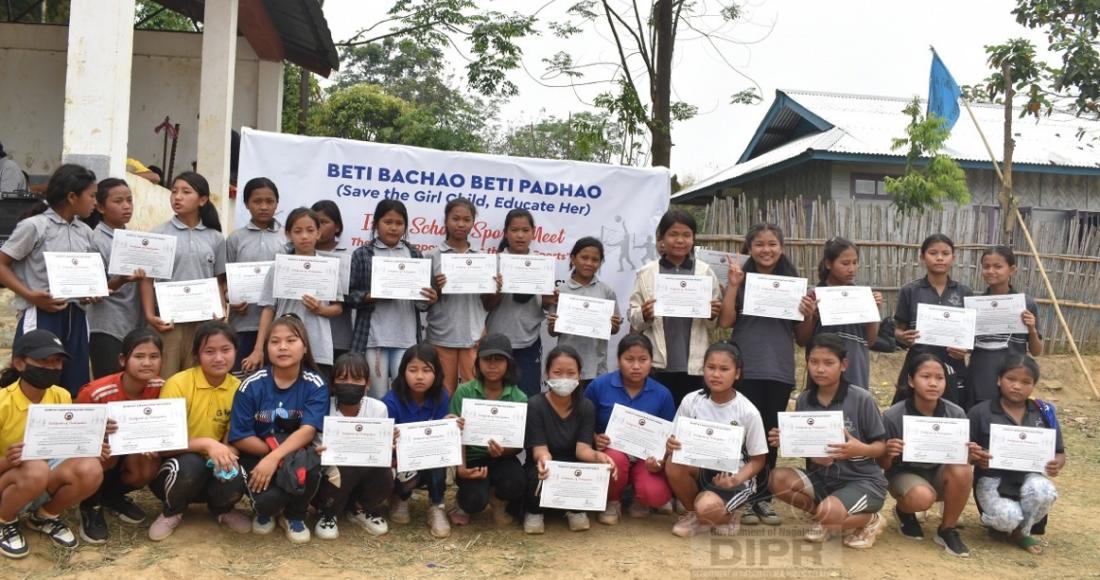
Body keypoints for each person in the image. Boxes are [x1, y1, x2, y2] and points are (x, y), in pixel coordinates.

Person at [720, 223, 815, 525]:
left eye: (772, 243)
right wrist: (734, 285)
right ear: (750, 248)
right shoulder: (741, 280)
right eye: (759, 244)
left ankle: (763, 498)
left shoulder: (794, 286)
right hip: (745, 367)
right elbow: (725, 321)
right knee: (743, 435)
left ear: (782, 247)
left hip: (779, 370)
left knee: (770, 436)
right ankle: (743, 497)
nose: (766, 250)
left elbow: (802, 338)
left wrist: (808, 313)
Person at [767, 333, 888, 549]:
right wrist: (787, 440)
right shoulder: (804, 399)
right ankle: (828, 515)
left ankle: (870, 519)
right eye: (814, 362)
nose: (820, 369)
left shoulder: (861, 399)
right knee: (777, 479)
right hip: (824, 479)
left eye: (828, 363)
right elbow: (808, 442)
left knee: (829, 513)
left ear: (843, 365)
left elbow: (881, 447)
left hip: (862, 481)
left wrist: (859, 449)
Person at [0, 330, 110, 557]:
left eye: (57, 361)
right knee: (35, 467)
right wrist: (8, 461)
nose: (51, 367)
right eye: (42, 361)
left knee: (91, 467)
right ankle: (4, 520)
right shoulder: (2, 403)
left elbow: (65, 445)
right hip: (10, 480)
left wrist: (91, 444)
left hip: (41, 478)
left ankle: (44, 516)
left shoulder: (60, 396)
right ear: (19, 363)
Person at [0, 164, 99, 396]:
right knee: (35, 380)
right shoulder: (35, 226)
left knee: (75, 382)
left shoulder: (85, 232)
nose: (95, 202)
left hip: (76, 314)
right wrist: (29, 295)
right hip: (41, 313)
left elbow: (87, 275)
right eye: (92, 196)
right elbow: (2, 264)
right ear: (72, 197)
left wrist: (91, 291)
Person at [147, 321, 251, 541]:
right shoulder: (178, 383)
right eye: (209, 351)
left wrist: (225, 451)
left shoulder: (239, 389)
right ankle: (172, 511)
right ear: (197, 354)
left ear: (236, 351)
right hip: (176, 467)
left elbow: (232, 438)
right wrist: (207, 443)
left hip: (213, 467)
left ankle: (221, 509)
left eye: (226, 350)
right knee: (191, 464)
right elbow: (163, 444)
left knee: (235, 470)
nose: (219, 358)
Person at [230, 314, 328, 544]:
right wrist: (269, 457)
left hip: (295, 453)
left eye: (291, 340)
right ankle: (265, 513)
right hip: (258, 452)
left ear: (305, 347)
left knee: (311, 464)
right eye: (274, 342)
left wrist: (276, 458)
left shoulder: (316, 384)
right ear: (266, 348)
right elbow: (240, 436)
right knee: (266, 502)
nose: (282, 347)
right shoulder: (251, 385)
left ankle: (294, 515)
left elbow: (308, 431)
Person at [665, 343, 767, 538]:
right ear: (703, 369)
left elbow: (758, 460)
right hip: (700, 468)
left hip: (732, 475)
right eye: (711, 367)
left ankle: (730, 512)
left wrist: (735, 479)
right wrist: (670, 444)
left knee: (708, 511)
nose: (716, 374)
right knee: (674, 463)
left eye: (724, 369)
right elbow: (674, 439)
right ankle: (692, 513)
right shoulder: (691, 401)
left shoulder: (748, 412)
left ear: (737, 374)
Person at [879, 354, 977, 557]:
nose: (933, 383)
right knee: (922, 498)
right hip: (904, 473)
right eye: (925, 376)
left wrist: (970, 454)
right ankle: (904, 512)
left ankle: (947, 529)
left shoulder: (956, 413)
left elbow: (961, 458)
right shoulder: (893, 416)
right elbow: (883, 465)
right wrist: (888, 452)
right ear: (910, 380)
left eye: (939, 378)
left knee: (963, 468)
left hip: (939, 472)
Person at [75, 329, 165, 543]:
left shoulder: (162, 388)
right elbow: (75, 432)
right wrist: (95, 433)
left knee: (149, 463)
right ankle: (90, 505)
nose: (147, 363)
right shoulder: (95, 392)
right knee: (106, 452)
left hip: (133, 451)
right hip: (100, 456)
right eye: (139, 356)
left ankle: (111, 497)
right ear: (123, 359)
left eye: (154, 357)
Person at [968, 355, 1064, 555]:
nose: (1017, 386)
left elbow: (1059, 452)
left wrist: (1056, 464)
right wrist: (977, 457)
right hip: (992, 481)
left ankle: (1022, 531)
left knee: (1044, 490)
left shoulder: (1043, 413)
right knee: (1007, 517)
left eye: (1025, 382)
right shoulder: (980, 412)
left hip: (1028, 479)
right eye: (1011, 379)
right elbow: (965, 454)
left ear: (1033, 385)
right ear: (998, 380)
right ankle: (1002, 523)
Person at [628, 210, 724, 405]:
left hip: (695, 366)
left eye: (686, 235)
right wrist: (644, 314)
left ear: (694, 239)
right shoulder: (647, 273)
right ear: (662, 238)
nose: (680, 240)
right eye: (673, 234)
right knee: (660, 421)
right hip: (657, 365)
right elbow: (633, 317)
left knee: (689, 423)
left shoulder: (704, 272)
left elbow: (713, 325)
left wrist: (712, 314)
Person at [141, 172, 227, 378]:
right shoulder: (158, 234)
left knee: (197, 377)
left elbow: (218, 280)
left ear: (203, 200)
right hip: (168, 321)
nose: (177, 197)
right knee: (165, 378)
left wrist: (221, 310)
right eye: (174, 191)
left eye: (186, 192)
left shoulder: (215, 238)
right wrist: (149, 315)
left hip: (203, 322)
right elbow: (146, 279)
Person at [523, 346, 617, 534]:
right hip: (545, 465)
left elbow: (582, 450)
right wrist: (544, 461)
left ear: (579, 375)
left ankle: (575, 509)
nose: (564, 378)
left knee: (591, 471)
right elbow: (540, 450)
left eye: (570, 373)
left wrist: (600, 457)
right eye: (557, 372)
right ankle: (534, 511)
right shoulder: (535, 404)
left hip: (574, 466)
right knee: (536, 476)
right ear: (547, 373)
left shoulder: (586, 406)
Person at [349, 200, 438, 398]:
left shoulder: (414, 254)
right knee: (377, 395)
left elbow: (422, 303)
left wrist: (430, 298)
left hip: (406, 337)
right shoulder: (363, 254)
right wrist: (368, 296)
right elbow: (349, 295)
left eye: (399, 223)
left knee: (405, 393)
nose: (393, 227)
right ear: (376, 224)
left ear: (405, 226)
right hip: (373, 338)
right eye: (388, 222)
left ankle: (400, 430)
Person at [585, 334, 676, 525]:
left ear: (651, 361)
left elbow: (669, 437)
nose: (636, 366)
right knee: (614, 458)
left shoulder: (663, 394)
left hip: (646, 458)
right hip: (611, 452)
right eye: (629, 359)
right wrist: (595, 438)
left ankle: (640, 499)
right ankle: (613, 501)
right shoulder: (599, 386)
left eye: (643, 360)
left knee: (656, 494)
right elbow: (582, 421)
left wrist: (659, 461)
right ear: (618, 360)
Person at [245, 208, 342, 377]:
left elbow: (338, 307)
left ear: (318, 233)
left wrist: (321, 309)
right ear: (288, 235)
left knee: (315, 396)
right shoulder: (279, 266)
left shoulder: (329, 266)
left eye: (310, 230)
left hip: (318, 346)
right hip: (283, 347)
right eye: (298, 231)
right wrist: (258, 349)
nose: (304, 236)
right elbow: (268, 309)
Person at [448, 334, 528, 526]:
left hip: (503, 458)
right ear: (478, 362)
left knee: (517, 483)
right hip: (472, 458)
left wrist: (504, 451)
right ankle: (463, 503)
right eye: (487, 359)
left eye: (499, 359)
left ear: (509, 363)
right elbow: (456, 435)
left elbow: (518, 446)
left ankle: (498, 500)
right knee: (473, 501)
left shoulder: (519, 398)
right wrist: (462, 469)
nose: (492, 365)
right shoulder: (464, 392)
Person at [312, 353, 392, 539]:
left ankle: (361, 509)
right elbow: (316, 443)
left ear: (368, 384)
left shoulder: (378, 409)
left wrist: (388, 443)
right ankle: (328, 513)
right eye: (342, 378)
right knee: (341, 469)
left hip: (366, 468)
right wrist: (319, 452)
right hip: (331, 471)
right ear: (332, 383)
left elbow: (381, 449)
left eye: (357, 379)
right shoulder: (323, 407)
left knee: (385, 472)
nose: (349, 383)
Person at [893, 234, 973, 407]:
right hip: (918, 363)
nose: (939, 258)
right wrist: (904, 336)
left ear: (953, 257)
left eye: (945, 253)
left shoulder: (964, 293)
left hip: (953, 365)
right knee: (909, 413)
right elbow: (898, 330)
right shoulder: (910, 291)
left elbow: (972, 336)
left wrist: (965, 349)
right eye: (933, 253)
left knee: (953, 414)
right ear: (922, 257)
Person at [382, 344, 452, 538]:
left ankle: (436, 505)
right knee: (395, 466)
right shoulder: (390, 402)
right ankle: (399, 498)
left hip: (428, 458)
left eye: (426, 370)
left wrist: (449, 425)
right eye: (413, 370)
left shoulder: (442, 397)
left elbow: (441, 440)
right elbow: (382, 444)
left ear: (436, 373)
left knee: (438, 456)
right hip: (400, 461)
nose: (419, 376)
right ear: (403, 372)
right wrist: (389, 437)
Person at [484, 209, 551, 397]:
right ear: (506, 233)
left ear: (533, 233)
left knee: (528, 396)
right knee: (494, 394)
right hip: (497, 340)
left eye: (525, 230)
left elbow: (546, 304)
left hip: (529, 341)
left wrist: (551, 298)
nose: (520, 235)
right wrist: (497, 290)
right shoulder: (494, 263)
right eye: (514, 230)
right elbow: (486, 306)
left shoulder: (542, 264)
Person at [87, 178, 148, 378]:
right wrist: (121, 279)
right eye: (118, 201)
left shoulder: (136, 240)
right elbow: (94, 289)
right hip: (107, 326)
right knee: (109, 385)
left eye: (129, 200)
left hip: (135, 324)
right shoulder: (95, 240)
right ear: (101, 207)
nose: (126, 206)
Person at [425, 197, 487, 394]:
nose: (461, 224)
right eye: (455, 218)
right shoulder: (432, 256)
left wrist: (495, 288)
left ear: (473, 223)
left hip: (473, 335)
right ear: (446, 220)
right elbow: (425, 301)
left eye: (467, 219)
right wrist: (439, 288)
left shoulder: (482, 257)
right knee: (444, 392)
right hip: (442, 335)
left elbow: (489, 302)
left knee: (473, 390)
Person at [968, 246, 1043, 406]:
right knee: (981, 418)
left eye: (998, 266)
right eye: (986, 266)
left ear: (1012, 270)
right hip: (981, 375)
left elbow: (1036, 351)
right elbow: (967, 347)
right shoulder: (974, 305)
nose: (991, 271)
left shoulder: (1026, 304)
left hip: (1013, 377)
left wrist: (1032, 329)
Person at [807, 237, 883, 389]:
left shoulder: (862, 296)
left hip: (855, 361)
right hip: (824, 364)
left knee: (854, 404)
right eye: (845, 263)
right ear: (828, 264)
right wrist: (811, 316)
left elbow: (870, 341)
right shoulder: (814, 296)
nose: (852, 269)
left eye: (855, 263)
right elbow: (802, 340)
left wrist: (874, 311)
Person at [225, 177, 284, 372]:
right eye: (257, 201)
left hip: (279, 326)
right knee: (242, 377)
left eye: (270, 201)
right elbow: (225, 280)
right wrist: (230, 299)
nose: (264, 207)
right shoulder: (236, 238)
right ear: (246, 204)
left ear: (277, 203)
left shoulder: (287, 237)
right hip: (242, 324)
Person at [548, 237, 622, 388]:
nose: (589, 263)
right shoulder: (560, 291)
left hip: (596, 367)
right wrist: (553, 324)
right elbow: (552, 332)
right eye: (584, 257)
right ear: (573, 258)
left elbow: (614, 329)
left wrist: (613, 326)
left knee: (591, 408)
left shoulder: (606, 291)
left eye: (595, 259)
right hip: (566, 367)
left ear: (600, 263)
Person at [312, 200, 354, 362]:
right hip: (307, 334)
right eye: (315, 223)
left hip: (339, 335)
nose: (319, 227)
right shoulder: (300, 255)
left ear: (337, 227)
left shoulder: (349, 256)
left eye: (324, 222)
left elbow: (354, 295)